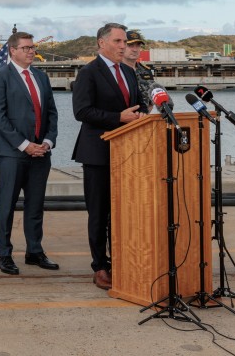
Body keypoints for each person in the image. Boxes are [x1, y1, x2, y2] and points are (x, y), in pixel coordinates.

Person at [71, 23, 147, 290]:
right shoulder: (88, 73)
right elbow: (81, 112)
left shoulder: (128, 72)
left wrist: (142, 115)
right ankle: (100, 266)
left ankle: (123, 260)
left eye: (124, 42)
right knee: (99, 213)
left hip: (128, 154)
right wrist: (118, 118)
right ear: (102, 43)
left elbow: (138, 105)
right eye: (118, 41)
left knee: (124, 211)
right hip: (97, 153)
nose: (123, 46)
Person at [0, 31, 59, 275]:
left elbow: (51, 113)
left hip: (41, 153)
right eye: (26, 47)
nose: (31, 51)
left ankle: (34, 251)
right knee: (6, 205)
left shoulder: (41, 77)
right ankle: (4, 254)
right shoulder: (0, 76)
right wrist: (24, 144)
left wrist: (47, 142)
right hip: (12, 153)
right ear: (13, 51)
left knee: (36, 205)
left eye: (32, 47)